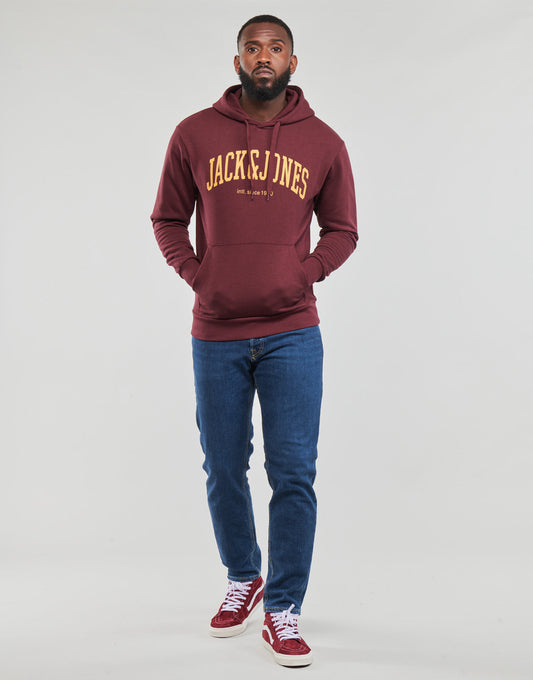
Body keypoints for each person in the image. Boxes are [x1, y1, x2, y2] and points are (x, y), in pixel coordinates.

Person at [151, 14, 357, 667]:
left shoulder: (323, 142)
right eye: (252, 47)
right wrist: (198, 275)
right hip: (215, 332)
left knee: (293, 471)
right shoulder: (193, 134)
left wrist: (304, 272)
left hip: (293, 331)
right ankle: (244, 575)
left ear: (292, 63)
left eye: (275, 48)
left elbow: (343, 231)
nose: (263, 56)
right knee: (222, 466)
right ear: (237, 59)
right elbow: (166, 219)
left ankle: (284, 608)